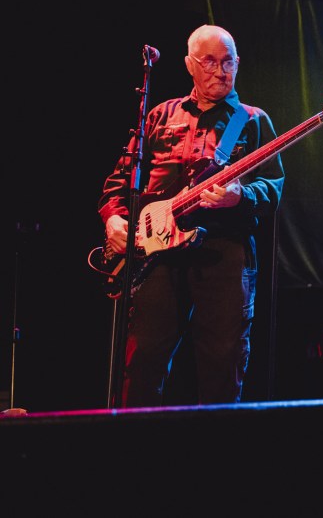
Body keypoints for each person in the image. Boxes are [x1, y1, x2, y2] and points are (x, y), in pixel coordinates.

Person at [98, 24, 285, 406]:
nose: (220, 71)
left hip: (224, 252)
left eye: (228, 62)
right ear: (189, 65)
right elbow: (120, 179)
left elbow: (273, 188)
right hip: (157, 256)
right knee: (143, 363)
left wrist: (240, 197)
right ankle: (131, 441)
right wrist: (114, 219)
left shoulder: (252, 120)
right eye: (209, 62)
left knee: (223, 366)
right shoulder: (159, 115)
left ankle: (217, 445)